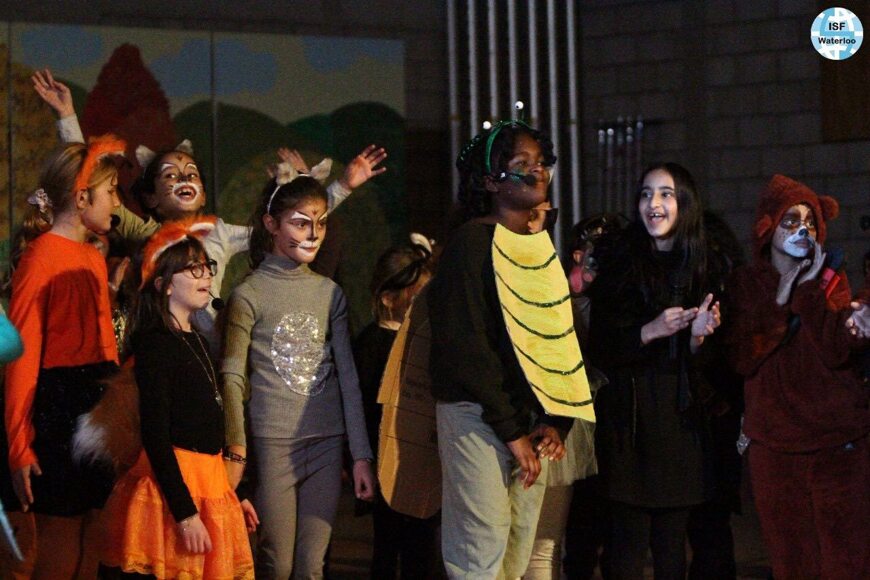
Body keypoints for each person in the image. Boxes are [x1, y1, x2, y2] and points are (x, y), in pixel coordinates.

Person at [32, 67, 388, 351]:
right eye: (170, 175)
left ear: (203, 194)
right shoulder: (147, 234)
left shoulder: (220, 232)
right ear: (152, 198)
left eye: (191, 174)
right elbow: (90, 179)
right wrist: (67, 116)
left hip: (210, 348)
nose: (184, 179)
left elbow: (288, 226)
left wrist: (343, 185)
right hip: (158, 347)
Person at [429, 118, 590, 579]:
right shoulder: (471, 245)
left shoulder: (536, 247)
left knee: (517, 552)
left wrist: (556, 419)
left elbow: (560, 338)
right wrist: (510, 430)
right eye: (522, 163)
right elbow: (467, 348)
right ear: (490, 181)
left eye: (541, 162)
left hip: (526, 418)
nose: (537, 171)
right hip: (478, 413)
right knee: (481, 550)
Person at [221, 167, 375, 578]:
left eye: (320, 223)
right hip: (273, 442)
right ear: (271, 225)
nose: (313, 234)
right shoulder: (248, 294)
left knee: (311, 565)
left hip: (326, 441)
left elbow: (348, 377)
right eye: (301, 223)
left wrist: (360, 455)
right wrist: (237, 448)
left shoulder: (329, 293)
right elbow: (232, 377)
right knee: (277, 562)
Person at [727, 174, 870, 579]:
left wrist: (810, 294)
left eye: (809, 221)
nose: (802, 229)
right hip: (776, 447)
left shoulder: (831, 276)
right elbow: (742, 356)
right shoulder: (748, 283)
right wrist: (780, 299)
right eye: (791, 220)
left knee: (846, 562)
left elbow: (836, 350)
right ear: (768, 227)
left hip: (838, 442)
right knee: (793, 563)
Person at [585, 162, 722, 579]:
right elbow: (601, 349)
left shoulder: (703, 266)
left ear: (685, 203)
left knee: (671, 549)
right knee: (626, 547)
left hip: (680, 426)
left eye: (665, 193)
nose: (653, 203)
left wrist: (698, 339)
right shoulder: (620, 266)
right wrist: (650, 331)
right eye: (646, 193)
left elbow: (713, 369)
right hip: (630, 424)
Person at [100, 219, 255, 579]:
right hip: (174, 492)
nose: (206, 275)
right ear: (164, 284)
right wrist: (185, 513)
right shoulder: (155, 345)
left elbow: (209, 425)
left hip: (209, 481)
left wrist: (237, 493)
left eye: (207, 267)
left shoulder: (197, 340)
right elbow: (156, 435)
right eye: (193, 268)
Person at [5, 137, 125, 578]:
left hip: (95, 404)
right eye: (111, 191)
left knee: (96, 537)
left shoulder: (92, 258)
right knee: (60, 538)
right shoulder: (41, 258)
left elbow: (106, 348)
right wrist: (19, 445)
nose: (117, 202)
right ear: (82, 197)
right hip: (58, 407)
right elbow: (20, 357)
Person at [353, 237, 439, 579]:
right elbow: (363, 406)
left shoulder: (426, 341)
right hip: (385, 459)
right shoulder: (372, 344)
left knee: (423, 548)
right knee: (387, 547)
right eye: (417, 296)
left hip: (421, 460)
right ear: (389, 299)